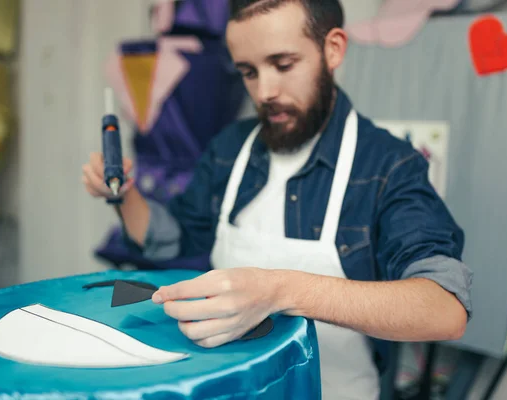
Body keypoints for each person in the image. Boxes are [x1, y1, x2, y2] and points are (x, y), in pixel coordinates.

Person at [82, 0, 473, 398]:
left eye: (283, 65)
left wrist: (281, 291)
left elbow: (443, 309)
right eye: (249, 72)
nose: (265, 92)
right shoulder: (229, 149)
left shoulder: (389, 165)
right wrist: (123, 195)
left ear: (333, 49)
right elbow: (173, 240)